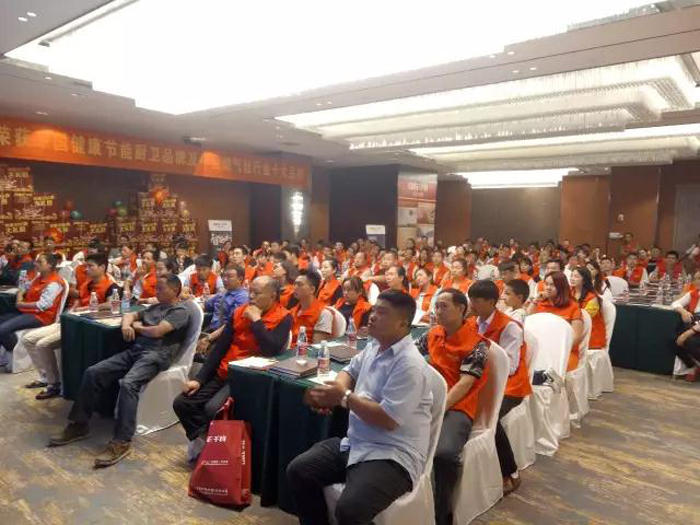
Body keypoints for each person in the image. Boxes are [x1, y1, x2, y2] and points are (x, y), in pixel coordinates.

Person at [287, 290, 432, 525]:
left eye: (382, 313)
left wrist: (343, 397)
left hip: (393, 455)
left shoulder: (409, 364)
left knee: (350, 509)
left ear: (403, 322)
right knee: (300, 471)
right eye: (374, 310)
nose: (372, 316)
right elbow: (349, 372)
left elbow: (388, 419)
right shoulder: (375, 345)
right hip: (357, 442)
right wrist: (335, 393)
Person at [48, 275, 191, 467]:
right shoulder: (155, 307)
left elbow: (157, 331)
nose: (156, 292)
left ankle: (122, 441)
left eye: (161, 289)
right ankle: (79, 424)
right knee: (93, 372)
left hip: (157, 355)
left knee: (129, 384)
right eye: (156, 288)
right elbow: (130, 315)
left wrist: (137, 327)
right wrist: (126, 324)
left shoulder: (180, 311)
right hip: (136, 351)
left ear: (174, 290)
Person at [173, 276, 292, 457]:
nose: (251, 296)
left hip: (247, 377)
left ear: (273, 295)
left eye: (257, 293)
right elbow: (220, 348)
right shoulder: (239, 312)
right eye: (250, 291)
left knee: (212, 409)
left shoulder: (284, 317)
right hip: (224, 371)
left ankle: (215, 449)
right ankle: (213, 445)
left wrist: (256, 321)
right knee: (182, 403)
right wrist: (199, 379)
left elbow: (271, 349)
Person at [414, 288, 488, 525]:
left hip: (457, 407)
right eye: (436, 306)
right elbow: (410, 355)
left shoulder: (477, 344)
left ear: (461, 309)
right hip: (427, 399)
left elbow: (464, 385)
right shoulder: (433, 333)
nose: (437, 311)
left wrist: (439, 408)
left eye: (444, 306)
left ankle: (441, 513)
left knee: (444, 455)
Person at [23, 253, 119, 399]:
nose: (86, 269)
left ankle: (54, 385)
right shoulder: (87, 283)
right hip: (70, 321)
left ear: (102, 267)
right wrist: (70, 312)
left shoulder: (111, 285)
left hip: (85, 327)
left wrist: (86, 308)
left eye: (90, 266)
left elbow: (112, 304)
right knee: (28, 339)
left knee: (42, 345)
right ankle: (45, 377)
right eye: (86, 266)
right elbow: (78, 301)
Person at [467, 280, 530, 496]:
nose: (472, 305)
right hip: (480, 382)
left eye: (477, 300)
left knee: (488, 417)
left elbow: (510, 367)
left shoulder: (510, 326)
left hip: (510, 386)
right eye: (471, 299)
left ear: (492, 302)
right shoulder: (471, 322)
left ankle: (511, 472)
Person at [0, 254, 66, 371]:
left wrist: (21, 303)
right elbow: (23, 288)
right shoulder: (39, 278)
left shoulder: (54, 283)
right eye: (36, 261)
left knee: (2, 329)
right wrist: (20, 297)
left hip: (41, 317)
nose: (35, 264)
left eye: (40, 262)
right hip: (27, 311)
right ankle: (6, 352)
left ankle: (12, 352)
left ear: (50, 265)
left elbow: (43, 305)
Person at [528, 271, 584, 372]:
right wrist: (535, 300)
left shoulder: (573, 306)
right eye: (546, 284)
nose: (548, 288)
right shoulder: (540, 303)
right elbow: (528, 322)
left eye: (552, 285)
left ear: (561, 287)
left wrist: (559, 348)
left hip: (564, 351)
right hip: (540, 349)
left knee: (553, 369)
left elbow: (577, 336)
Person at [197, 264, 250, 355]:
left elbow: (231, 324)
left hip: (224, 336)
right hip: (211, 331)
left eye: (229, 277)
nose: (225, 279)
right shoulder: (222, 293)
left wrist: (209, 339)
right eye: (224, 276)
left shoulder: (242, 297)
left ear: (240, 279)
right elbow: (205, 306)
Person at [290, 269, 333, 345]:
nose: (295, 288)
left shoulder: (324, 314)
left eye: (299, 284)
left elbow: (317, 347)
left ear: (312, 289)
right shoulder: (292, 311)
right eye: (295, 284)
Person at [570, 267, 607, 350]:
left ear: (584, 280)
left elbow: (585, 319)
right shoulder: (569, 292)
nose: (572, 278)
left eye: (576, 276)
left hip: (590, 335)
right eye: (571, 276)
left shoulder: (592, 298)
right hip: (573, 329)